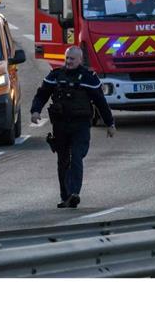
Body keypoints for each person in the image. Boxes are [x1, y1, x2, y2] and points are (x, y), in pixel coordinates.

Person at [29, 46, 116, 209]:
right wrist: (35, 110)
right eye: (67, 58)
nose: (68, 61)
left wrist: (110, 123)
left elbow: (100, 102)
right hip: (61, 126)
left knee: (76, 157)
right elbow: (42, 94)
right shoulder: (55, 76)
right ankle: (66, 197)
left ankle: (74, 193)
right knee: (62, 161)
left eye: (72, 59)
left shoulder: (89, 78)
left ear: (80, 60)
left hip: (80, 125)